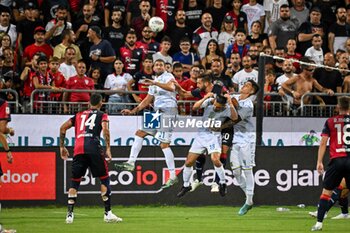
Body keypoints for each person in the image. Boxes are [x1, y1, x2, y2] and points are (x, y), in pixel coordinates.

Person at [114, 59, 178, 189]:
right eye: (157, 65)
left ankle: (172, 175)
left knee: (164, 144)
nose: (159, 66)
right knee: (140, 133)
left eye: (161, 64)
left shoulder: (168, 76)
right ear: (154, 68)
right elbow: (146, 101)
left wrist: (155, 82)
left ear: (165, 68)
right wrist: (133, 111)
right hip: (157, 112)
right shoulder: (153, 83)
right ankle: (131, 162)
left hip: (169, 111)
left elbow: (171, 87)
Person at [59, 93, 122, 224]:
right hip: (94, 148)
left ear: (89, 103)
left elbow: (62, 128)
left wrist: (62, 147)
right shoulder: (102, 115)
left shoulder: (78, 115)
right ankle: (107, 213)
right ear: (101, 103)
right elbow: (105, 130)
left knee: (75, 182)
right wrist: (108, 148)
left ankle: (69, 215)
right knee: (104, 179)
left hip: (78, 149)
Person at [176, 93, 238, 198]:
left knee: (215, 159)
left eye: (218, 107)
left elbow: (235, 118)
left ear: (223, 106)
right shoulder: (209, 102)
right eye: (215, 105)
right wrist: (205, 97)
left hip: (214, 136)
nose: (216, 107)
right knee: (189, 162)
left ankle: (222, 183)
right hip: (201, 136)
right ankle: (186, 185)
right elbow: (195, 107)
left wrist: (230, 102)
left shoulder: (227, 108)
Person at [311, 96, 350, 231]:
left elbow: (323, 142)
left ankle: (319, 224)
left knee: (326, 192)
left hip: (337, 160)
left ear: (338, 107)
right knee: (343, 190)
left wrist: (319, 162)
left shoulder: (330, 121)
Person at [229, 79, 260, 215]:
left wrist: (230, 102)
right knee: (235, 171)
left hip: (247, 139)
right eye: (244, 83)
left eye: (247, 85)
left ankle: (248, 201)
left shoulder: (249, 105)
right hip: (235, 138)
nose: (243, 86)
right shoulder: (234, 97)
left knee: (248, 170)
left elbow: (237, 118)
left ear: (252, 91)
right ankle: (248, 197)